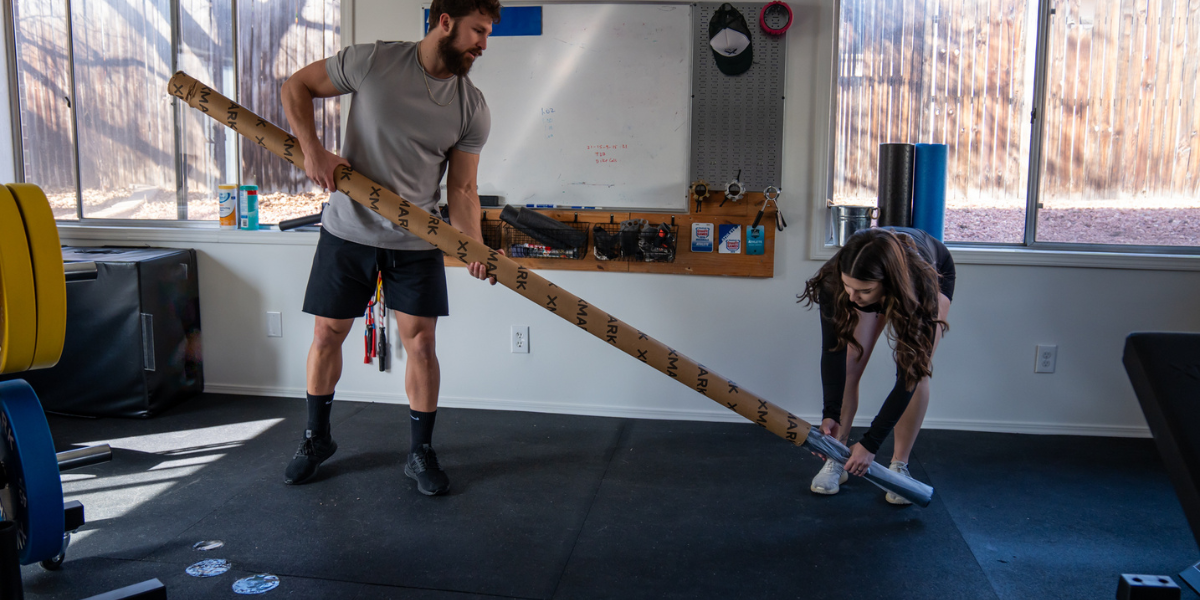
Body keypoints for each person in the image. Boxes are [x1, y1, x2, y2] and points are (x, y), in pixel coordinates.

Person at [278, 0, 503, 495]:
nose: (483, 45)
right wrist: (312, 149)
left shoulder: (472, 107)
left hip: (416, 239)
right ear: (445, 22)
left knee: (421, 343)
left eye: (487, 34)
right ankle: (316, 438)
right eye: (477, 32)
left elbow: (462, 191)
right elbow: (296, 86)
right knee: (326, 336)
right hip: (347, 230)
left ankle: (420, 450)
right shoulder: (374, 61)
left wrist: (475, 248)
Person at [797, 226, 954, 505]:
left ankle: (899, 466)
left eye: (864, 290)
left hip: (931, 274)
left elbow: (909, 375)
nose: (852, 297)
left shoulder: (921, 286)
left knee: (917, 368)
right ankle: (838, 455)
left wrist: (871, 443)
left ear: (887, 283)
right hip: (883, 280)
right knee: (849, 363)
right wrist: (829, 413)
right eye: (848, 286)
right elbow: (832, 352)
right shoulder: (836, 284)